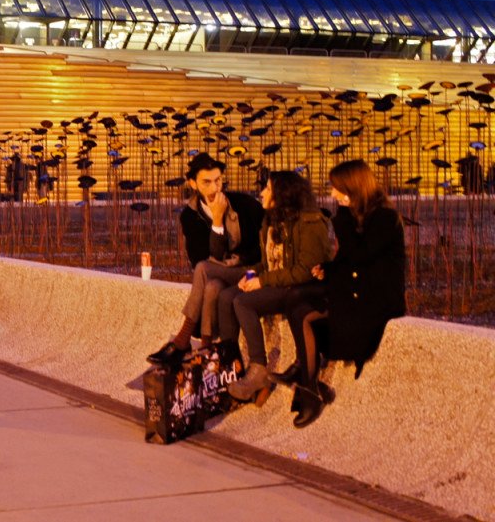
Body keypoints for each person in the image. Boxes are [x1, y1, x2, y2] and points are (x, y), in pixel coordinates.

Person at [282, 160, 406, 427]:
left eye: (338, 189)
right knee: (294, 298)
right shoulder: (352, 215)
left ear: (353, 188)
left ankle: (309, 388)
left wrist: (342, 221)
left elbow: (361, 256)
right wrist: (327, 268)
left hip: (374, 300)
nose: (333, 194)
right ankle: (304, 371)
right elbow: (348, 259)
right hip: (352, 287)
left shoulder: (384, 218)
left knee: (304, 315)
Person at [217, 170, 331, 404]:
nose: (262, 192)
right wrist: (251, 275)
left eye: (267, 188)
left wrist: (262, 281)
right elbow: (266, 262)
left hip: (296, 288)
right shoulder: (271, 220)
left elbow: (302, 271)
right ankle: (231, 366)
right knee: (227, 296)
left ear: (283, 195)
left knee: (243, 302)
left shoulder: (309, 223)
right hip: (276, 280)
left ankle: (258, 369)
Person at [147, 153, 264, 364]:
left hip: (249, 270)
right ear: (193, 184)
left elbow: (260, 247)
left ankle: (183, 338)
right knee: (212, 286)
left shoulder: (244, 204)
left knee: (204, 269)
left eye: (218, 180)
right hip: (218, 274)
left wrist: (236, 259)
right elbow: (203, 257)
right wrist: (217, 221)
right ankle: (206, 348)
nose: (214, 188)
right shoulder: (190, 216)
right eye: (206, 182)